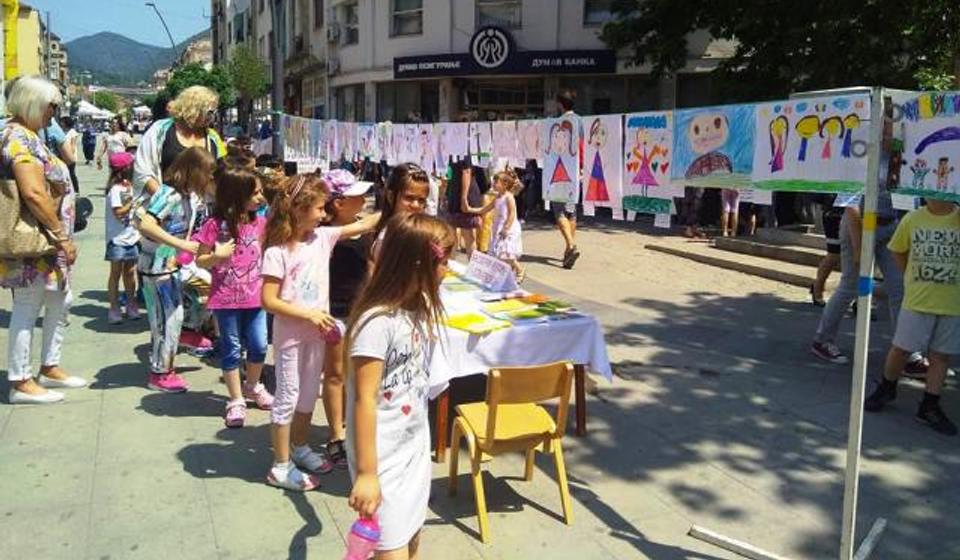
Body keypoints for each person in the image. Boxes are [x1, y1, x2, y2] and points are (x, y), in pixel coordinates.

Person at [260, 174, 379, 491]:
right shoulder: (277, 252)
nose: (324, 214)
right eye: (318, 208)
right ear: (298, 209)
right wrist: (309, 313)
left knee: (308, 393)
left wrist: (396, 202)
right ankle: (280, 465)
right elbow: (269, 300)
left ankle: (299, 446)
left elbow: (363, 226)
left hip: (317, 336)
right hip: (290, 338)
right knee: (286, 397)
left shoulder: (322, 238)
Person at [347, 213, 455, 559]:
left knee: (411, 538)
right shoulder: (377, 322)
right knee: (389, 547)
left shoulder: (418, 309)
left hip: (413, 449)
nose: (449, 270)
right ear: (418, 264)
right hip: (382, 458)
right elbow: (364, 398)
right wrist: (366, 473)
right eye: (445, 261)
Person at [2, 77, 87, 404]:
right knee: (27, 304)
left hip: (46, 240)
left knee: (58, 299)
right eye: (52, 106)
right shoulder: (18, 139)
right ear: (34, 103)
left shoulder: (27, 134)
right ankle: (21, 380)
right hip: (36, 240)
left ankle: (49, 366)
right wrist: (62, 236)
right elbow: (34, 193)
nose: (56, 112)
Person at [864, 199, 960, 436]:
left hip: (951, 301)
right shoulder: (913, 218)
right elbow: (898, 250)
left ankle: (930, 404)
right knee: (901, 349)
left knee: (941, 356)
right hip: (918, 299)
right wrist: (911, 275)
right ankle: (887, 387)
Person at [193, 164, 274, 427]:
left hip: (256, 298)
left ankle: (253, 385)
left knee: (260, 344)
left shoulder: (261, 223)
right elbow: (201, 260)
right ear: (237, 195)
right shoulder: (214, 226)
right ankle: (236, 399)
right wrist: (217, 256)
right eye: (256, 193)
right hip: (226, 299)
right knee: (231, 349)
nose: (261, 198)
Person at [134, 147, 216, 393]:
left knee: (210, 287)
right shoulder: (169, 194)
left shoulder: (189, 196)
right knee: (167, 319)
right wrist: (181, 244)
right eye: (207, 173)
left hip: (177, 263)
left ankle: (188, 330)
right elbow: (147, 225)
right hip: (157, 267)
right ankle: (160, 372)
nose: (209, 179)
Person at [322, 169, 375, 468]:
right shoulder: (321, 230)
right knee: (335, 374)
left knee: (358, 375)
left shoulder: (362, 226)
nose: (364, 199)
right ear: (339, 202)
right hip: (334, 312)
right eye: (357, 195)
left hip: (361, 309)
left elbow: (370, 264)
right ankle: (335, 434)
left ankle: (356, 425)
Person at [134, 86, 226, 199]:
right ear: (194, 109)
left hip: (201, 210)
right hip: (161, 207)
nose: (212, 117)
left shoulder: (212, 137)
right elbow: (143, 169)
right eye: (210, 112)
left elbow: (221, 172)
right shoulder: (160, 130)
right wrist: (166, 201)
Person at [103, 151, 141, 324]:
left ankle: (131, 304)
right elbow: (118, 212)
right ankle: (113, 307)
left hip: (132, 237)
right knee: (115, 273)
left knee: (130, 272)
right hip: (117, 239)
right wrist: (133, 203)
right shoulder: (115, 190)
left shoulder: (130, 186)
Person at [472, 168, 525, 282]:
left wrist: (506, 228)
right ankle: (505, 276)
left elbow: (511, 214)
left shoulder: (509, 197)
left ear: (505, 184)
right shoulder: (497, 197)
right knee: (499, 253)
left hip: (508, 228)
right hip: (498, 228)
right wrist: (470, 210)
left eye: (496, 182)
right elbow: (485, 209)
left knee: (506, 253)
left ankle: (519, 270)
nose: (494, 185)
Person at [372, 163, 430, 260]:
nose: (416, 205)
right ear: (391, 197)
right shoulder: (388, 239)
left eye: (421, 200)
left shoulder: (421, 232)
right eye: (409, 198)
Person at [553, 90, 582, 269]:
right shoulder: (581, 122)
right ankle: (567, 251)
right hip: (577, 171)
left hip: (560, 172)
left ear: (560, 104)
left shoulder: (557, 123)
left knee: (559, 211)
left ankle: (570, 245)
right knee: (571, 211)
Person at [811, 194, 842, 306]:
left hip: (857, 213)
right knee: (834, 255)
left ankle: (859, 299)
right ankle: (817, 288)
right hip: (835, 215)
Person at [60, 116, 80, 194]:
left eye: (62, 122)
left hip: (71, 155)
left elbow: (73, 144)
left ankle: (76, 189)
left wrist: (70, 154)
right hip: (63, 154)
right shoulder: (61, 131)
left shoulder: (72, 132)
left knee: (71, 173)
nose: (61, 123)